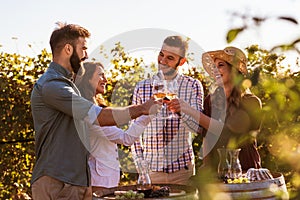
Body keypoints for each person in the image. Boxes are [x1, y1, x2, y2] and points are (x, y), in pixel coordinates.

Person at [30, 22, 159, 200]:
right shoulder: (53, 86)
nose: (86, 55)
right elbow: (98, 116)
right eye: (83, 48)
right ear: (68, 49)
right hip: (57, 181)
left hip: (76, 180)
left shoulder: (67, 84)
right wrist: (142, 109)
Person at [167, 46, 262, 175]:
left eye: (220, 65)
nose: (215, 70)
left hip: (243, 168)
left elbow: (228, 132)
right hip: (216, 169)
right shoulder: (210, 100)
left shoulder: (251, 102)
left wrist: (189, 110)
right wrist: (206, 164)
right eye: (214, 67)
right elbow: (207, 136)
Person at [131, 36, 204, 185]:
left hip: (183, 172)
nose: (162, 61)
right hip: (151, 172)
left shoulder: (193, 86)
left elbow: (197, 128)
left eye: (170, 58)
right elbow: (134, 131)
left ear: (181, 61)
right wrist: (141, 166)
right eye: (161, 54)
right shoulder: (142, 87)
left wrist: (181, 112)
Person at [75, 62, 153, 192]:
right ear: (87, 79)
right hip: (98, 181)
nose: (105, 79)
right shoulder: (90, 114)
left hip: (105, 180)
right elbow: (126, 138)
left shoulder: (94, 109)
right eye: (100, 75)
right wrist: (147, 114)